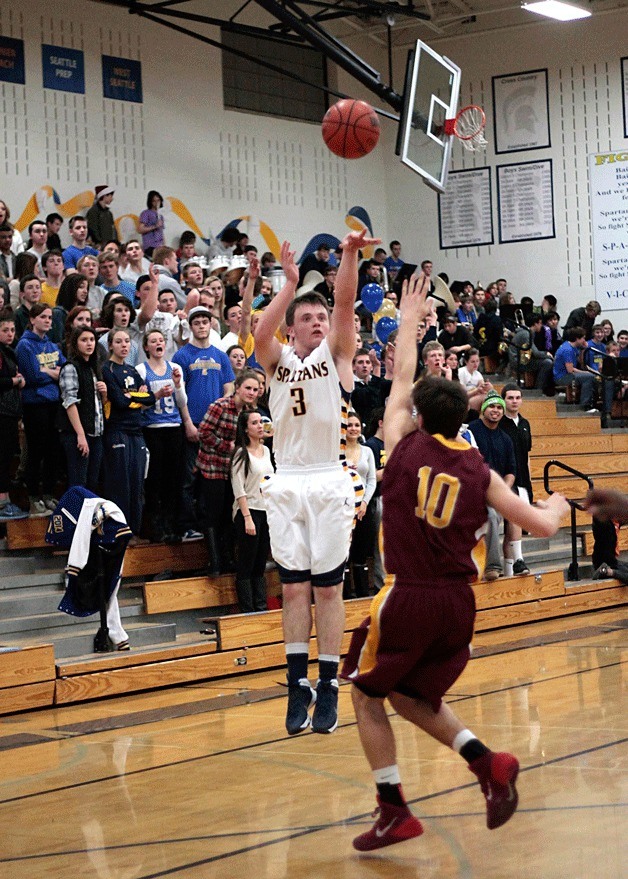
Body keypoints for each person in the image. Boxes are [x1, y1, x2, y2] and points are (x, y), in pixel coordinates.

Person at [341, 274, 570, 852]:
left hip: (408, 594)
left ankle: (393, 807)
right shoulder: (478, 469)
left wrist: (412, 319)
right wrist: (560, 503)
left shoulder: (402, 445)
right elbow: (540, 525)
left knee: (366, 694)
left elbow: (398, 378)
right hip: (460, 605)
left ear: (420, 417)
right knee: (411, 697)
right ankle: (486, 762)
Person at [255, 230, 377, 736]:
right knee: (293, 589)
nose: (318, 321)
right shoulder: (276, 360)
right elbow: (261, 331)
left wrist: (349, 253)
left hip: (328, 479)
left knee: (328, 591)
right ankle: (296, 684)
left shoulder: (337, 356)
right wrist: (287, 286)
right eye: (306, 317)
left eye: (320, 317)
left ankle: (328, 683)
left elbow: (345, 303)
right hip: (287, 481)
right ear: (293, 328)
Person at [102, 328, 167, 540]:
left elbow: (148, 397)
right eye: (119, 341)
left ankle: (134, 531)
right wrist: (135, 397)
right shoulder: (107, 369)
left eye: (127, 341)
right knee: (121, 484)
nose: (124, 345)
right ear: (111, 345)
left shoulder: (132, 370)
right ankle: (119, 532)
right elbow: (120, 402)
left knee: (138, 483)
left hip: (136, 431)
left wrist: (131, 396)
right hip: (118, 431)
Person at [196, 369, 261, 575]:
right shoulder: (220, 405)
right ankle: (214, 562)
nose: (251, 392)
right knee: (213, 515)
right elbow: (203, 432)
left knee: (228, 515)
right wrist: (227, 446)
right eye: (248, 388)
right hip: (213, 466)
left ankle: (226, 559)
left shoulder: (249, 414)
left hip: (234, 470)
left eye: (255, 389)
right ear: (238, 388)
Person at [136, 330, 194, 543]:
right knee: (154, 478)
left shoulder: (175, 368)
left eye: (161, 340)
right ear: (146, 347)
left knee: (174, 478)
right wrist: (154, 395)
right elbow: (138, 404)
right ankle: (155, 525)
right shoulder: (141, 370)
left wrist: (178, 385)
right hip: (151, 428)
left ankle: (172, 524)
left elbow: (182, 401)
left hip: (173, 427)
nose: (158, 343)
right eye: (153, 341)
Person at [15, 303, 65, 516]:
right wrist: (51, 373)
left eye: (49, 318)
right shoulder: (25, 346)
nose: (47, 320)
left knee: (53, 450)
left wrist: (47, 370)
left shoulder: (52, 346)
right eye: (43, 317)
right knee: (37, 450)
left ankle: (48, 493)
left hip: (54, 404)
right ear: (33, 319)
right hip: (35, 405)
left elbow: (65, 371)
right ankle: (34, 495)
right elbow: (33, 376)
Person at [468, 392, 516, 581]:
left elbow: (511, 471)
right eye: (491, 407)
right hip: (473, 490)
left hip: (497, 493)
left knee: (501, 512)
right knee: (491, 515)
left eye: (499, 408)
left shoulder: (506, 438)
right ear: (483, 409)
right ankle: (493, 565)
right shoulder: (471, 430)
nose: (495, 411)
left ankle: (515, 562)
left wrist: (502, 492)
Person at [230, 409, 274, 612]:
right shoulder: (241, 453)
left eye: (261, 422)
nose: (259, 426)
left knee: (260, 562)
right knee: (247, 562)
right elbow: (239, 488)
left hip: (266, 510)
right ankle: (248, 609)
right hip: (249, 511)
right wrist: (247, 517)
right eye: (255, 423)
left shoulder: (266, 451)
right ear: (246, 429)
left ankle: (261, 606)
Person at [58, 327, 107, 492]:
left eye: (92, 340)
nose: (89, 344)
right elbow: (69, 402)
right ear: (75, 343)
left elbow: (100, 405)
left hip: (96, 433)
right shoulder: (71, 367)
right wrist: (80, 435)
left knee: (92, 482)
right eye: (84, 340)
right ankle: (74, 516)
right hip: (78, 434)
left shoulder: (93, 368)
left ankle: (87, 517)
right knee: (79, 482)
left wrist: (104, 393)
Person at [499, 384, 534, 576]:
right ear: (504, 400)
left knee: (512, 527)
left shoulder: (526, 424)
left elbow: (527, 455)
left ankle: (509, 573)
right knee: (513, 520)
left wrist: (529, 482)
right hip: (505, 480)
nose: (514, 401)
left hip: (522, 481)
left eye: (517, 397)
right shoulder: (499, 423)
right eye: (510, 398)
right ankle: (519, 560)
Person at [344, 411, 377, 599]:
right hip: (343, 509)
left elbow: (371, 479)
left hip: (364, 509)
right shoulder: (336, 452)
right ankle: (347, 596)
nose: (353, 429)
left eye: (356, 425)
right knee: (345, 554)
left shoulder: (367, 451)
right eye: (349, 425)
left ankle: (364, 595)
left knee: (361, 554)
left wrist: (364, 502)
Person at [0, 310, 27, 521]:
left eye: (12, 330)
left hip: (10, 412)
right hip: (2, 413)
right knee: (2, 457)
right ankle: (2, 502)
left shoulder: (9, 352)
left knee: (8, 456)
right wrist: (15, 381)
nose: (10, 334)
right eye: (4, 330)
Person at [138, 191, 165, 256]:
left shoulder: (160, 216)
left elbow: (161, 232)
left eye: (158, 200)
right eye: (154, 201)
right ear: (150, 202)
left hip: (160, 246)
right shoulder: (146, 213)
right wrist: (155, 226)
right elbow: (140, 229)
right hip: (150, 247)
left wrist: (164, 244)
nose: (157, 203)